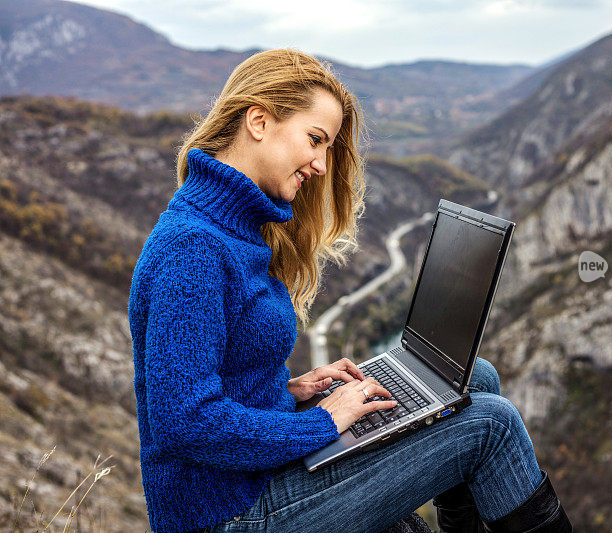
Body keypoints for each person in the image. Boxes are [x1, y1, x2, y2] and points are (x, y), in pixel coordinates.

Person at [128, 48, 572, 533]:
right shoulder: (192, 246)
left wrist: (289, 390)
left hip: (251, 481)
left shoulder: (232, 228)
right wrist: (322, 422)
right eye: (315, 140)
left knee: (475, 378)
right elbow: (183, 422)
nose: (320, 164)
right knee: (492, 425)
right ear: (258, 121)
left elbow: (218, 371)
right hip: (230, 512)